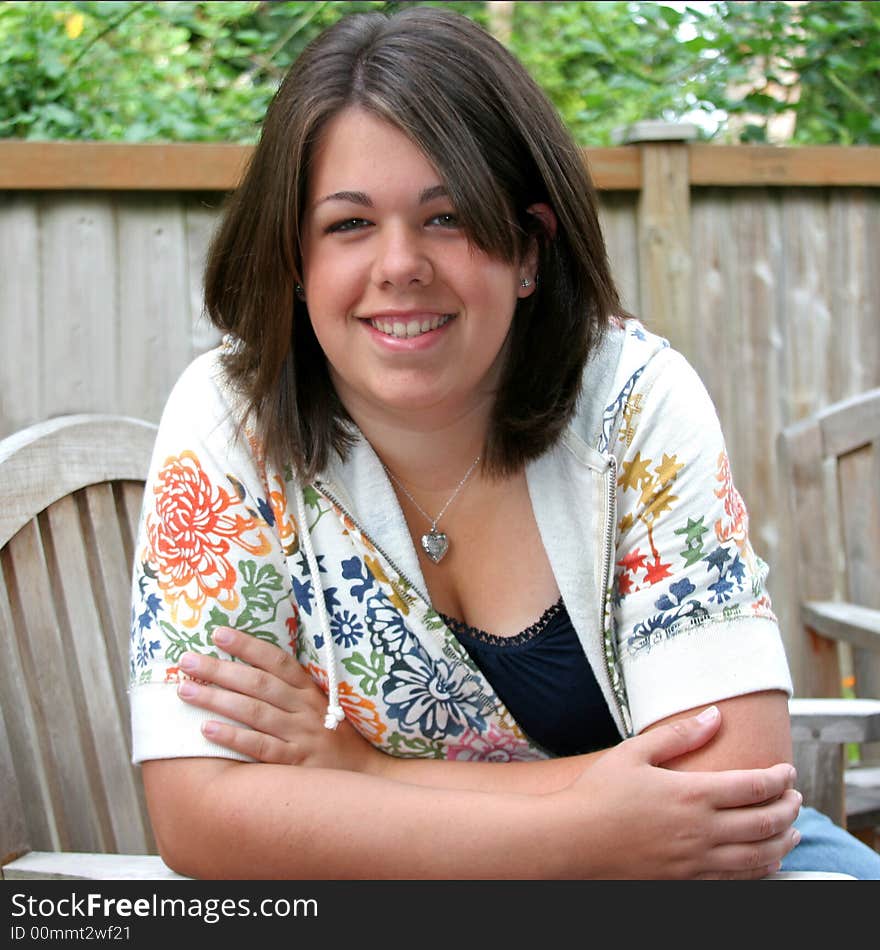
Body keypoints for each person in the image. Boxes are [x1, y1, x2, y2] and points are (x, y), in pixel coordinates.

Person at [128, 6, 880, 880]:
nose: (400, 263)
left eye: (447, 218)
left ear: (529, 246)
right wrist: (586, 831)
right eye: (349, 224)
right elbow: (201, 816)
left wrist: (370, 777)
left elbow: (733, 795)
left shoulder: (632, 404)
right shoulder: (234, 419)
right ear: (295, 259)